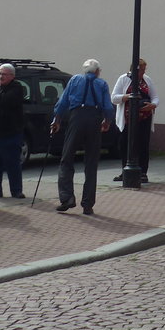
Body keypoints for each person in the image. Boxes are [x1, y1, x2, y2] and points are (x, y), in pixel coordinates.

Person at [50, 58, 113, 214]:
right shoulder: (102, 84)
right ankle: (88, 204)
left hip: (76, 117)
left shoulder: (75, 79)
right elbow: (108, 106)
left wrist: (56, 119)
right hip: (94, 118)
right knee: (91, 162)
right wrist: (107, 121)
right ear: (97, 71)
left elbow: (63, 101)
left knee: (67, 158)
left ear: (84, 70)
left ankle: (67, 198)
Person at [112, 59, 160, 184]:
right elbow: (114, 98)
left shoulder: (147, 80)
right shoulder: (123, 79)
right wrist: (128, 96)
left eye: (144, 70)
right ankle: (125, 171)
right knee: (124, 144)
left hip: (144, 118)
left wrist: (152, 105)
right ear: (135, 70)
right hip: (127, 118)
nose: (143, 72)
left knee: (143, 144)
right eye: (141, 70)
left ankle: (143, 173)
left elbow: (155, 97)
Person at [0, 64, 26, 199]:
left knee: (13, 163)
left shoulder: (17, 88)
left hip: (12, 132)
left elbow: (5, 101)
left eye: (4, 74)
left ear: (12, 76)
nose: (0, 76)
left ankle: (16, 190)